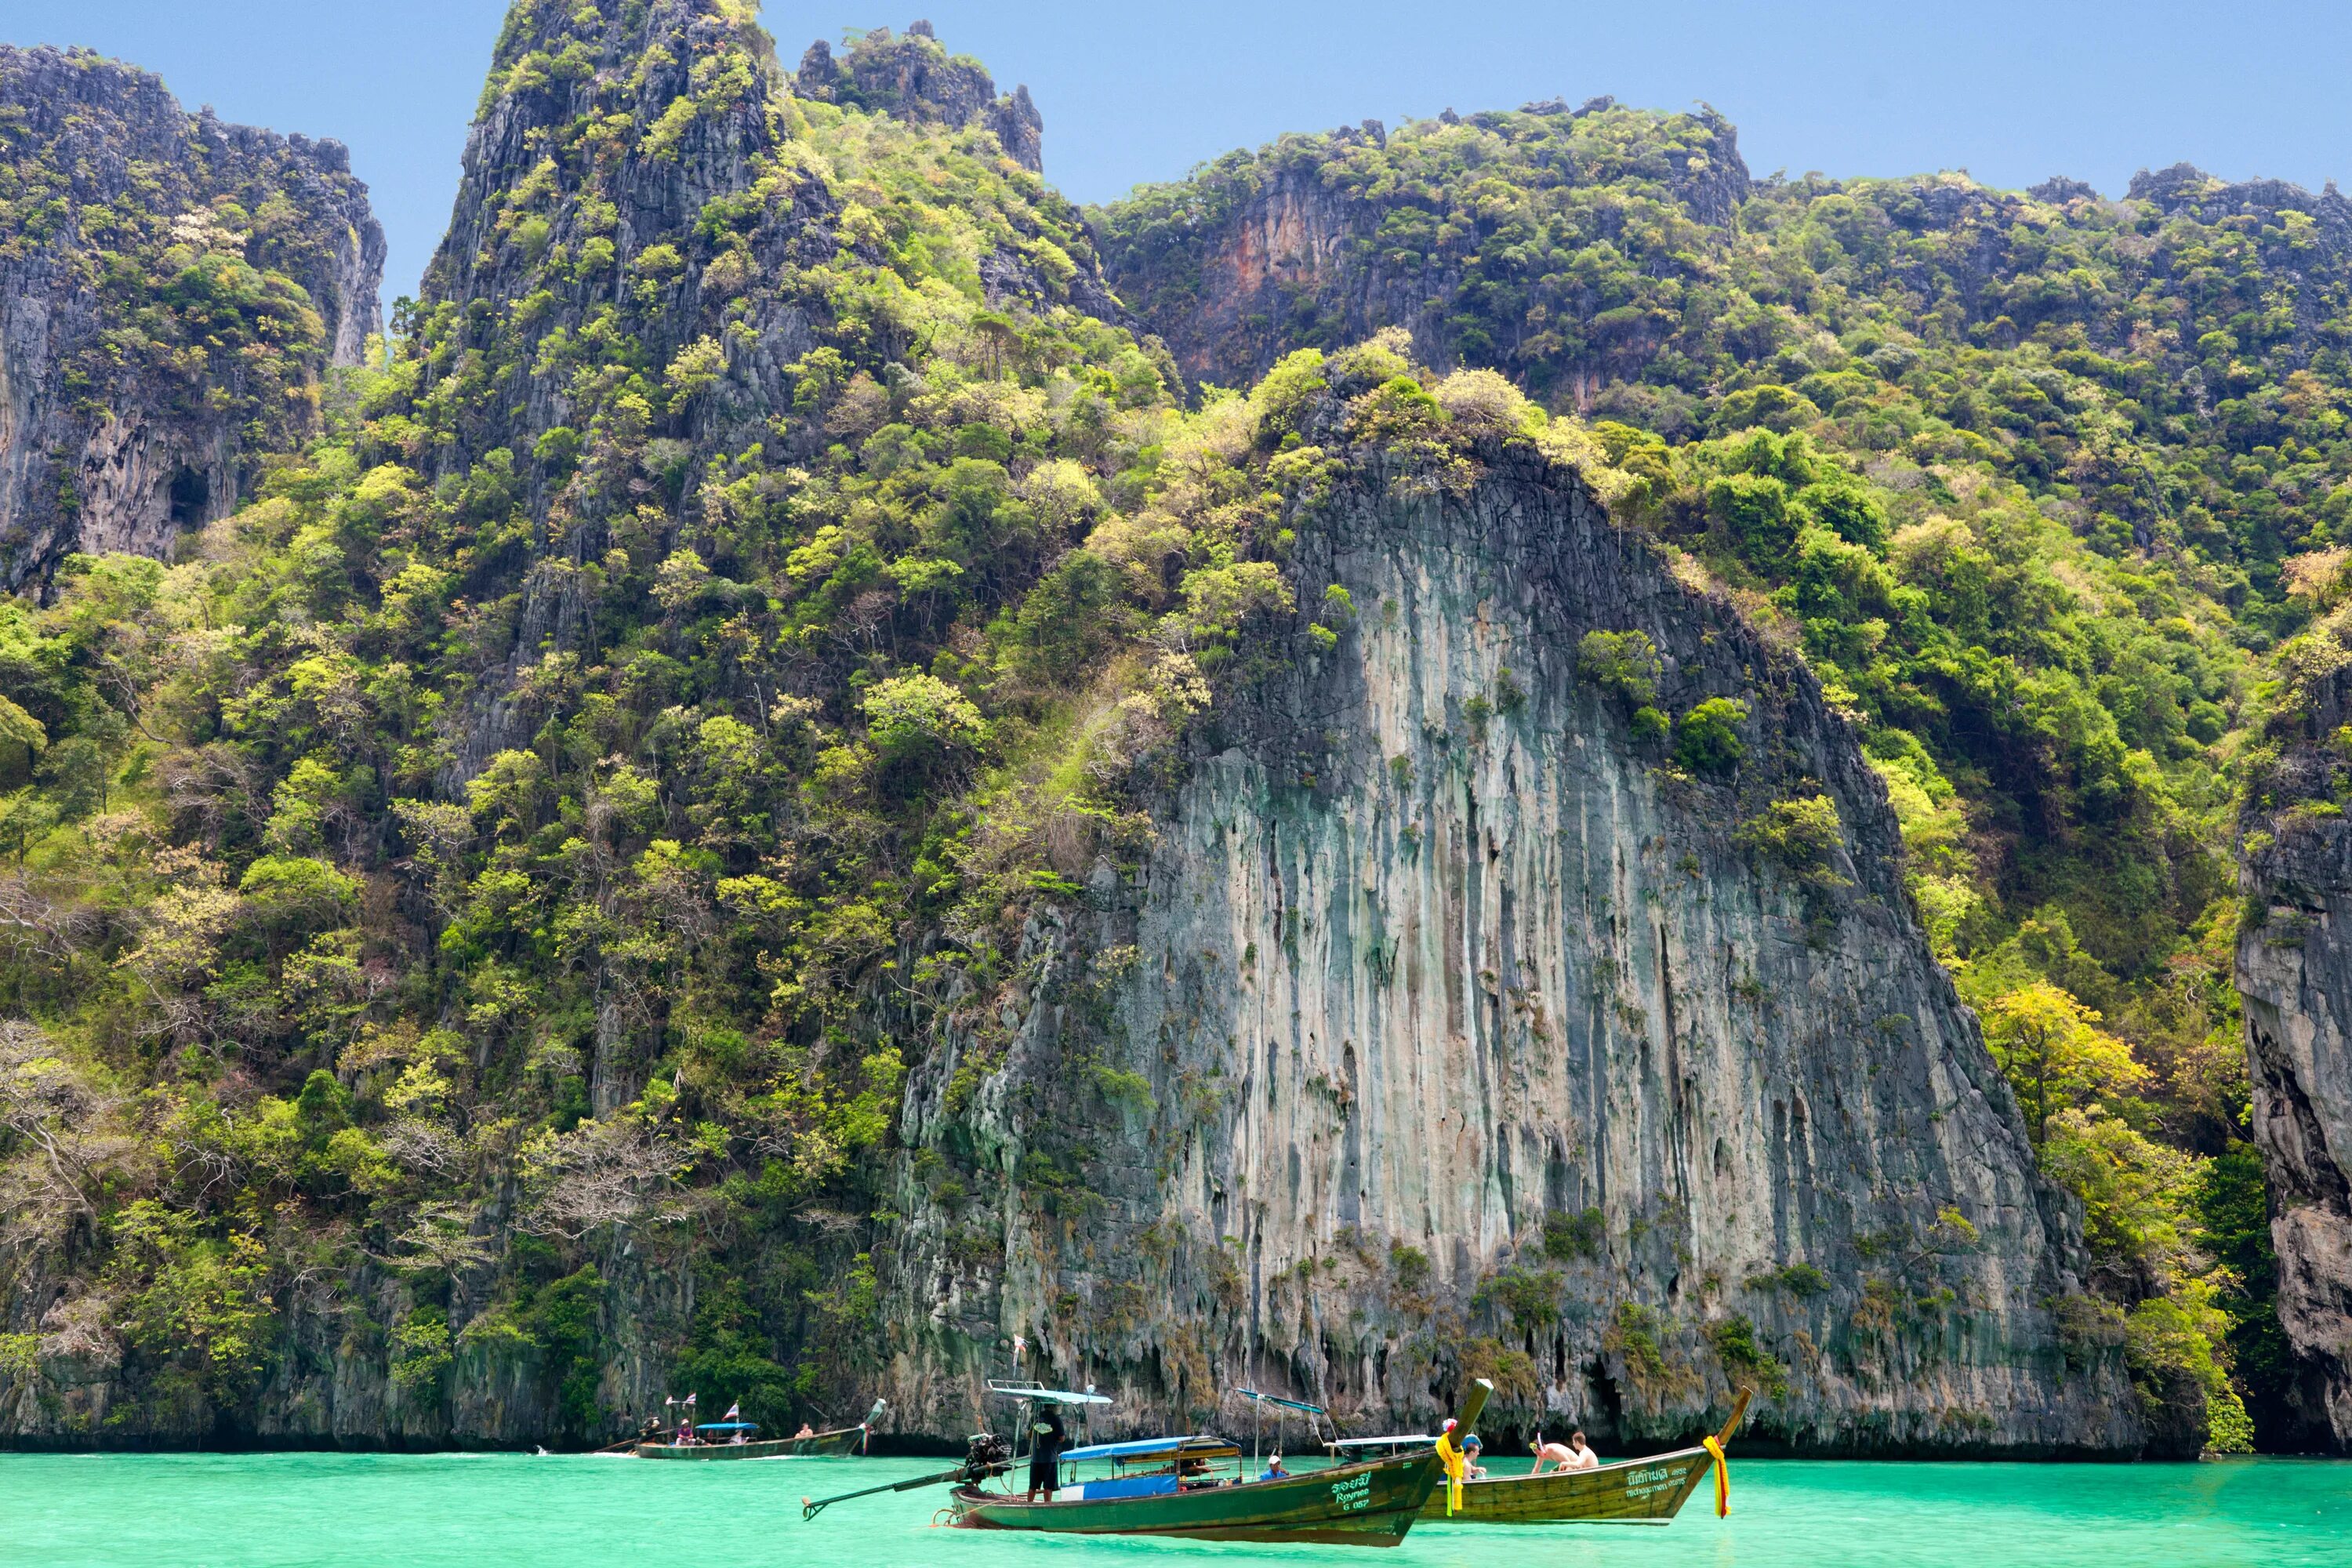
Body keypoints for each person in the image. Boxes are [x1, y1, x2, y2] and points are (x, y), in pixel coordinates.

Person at [1025, 1406, 1066, 1501]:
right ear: (1054, 1407)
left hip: (1036, 1458)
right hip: (1049, 1458)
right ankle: (1047, 1506)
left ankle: (1029, 1505)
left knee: (1033, 1486)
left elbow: (1029, 1435)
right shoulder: (1056, 1419)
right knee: (1048, 1487)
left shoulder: (1035, 1417)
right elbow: (1062, 1438)